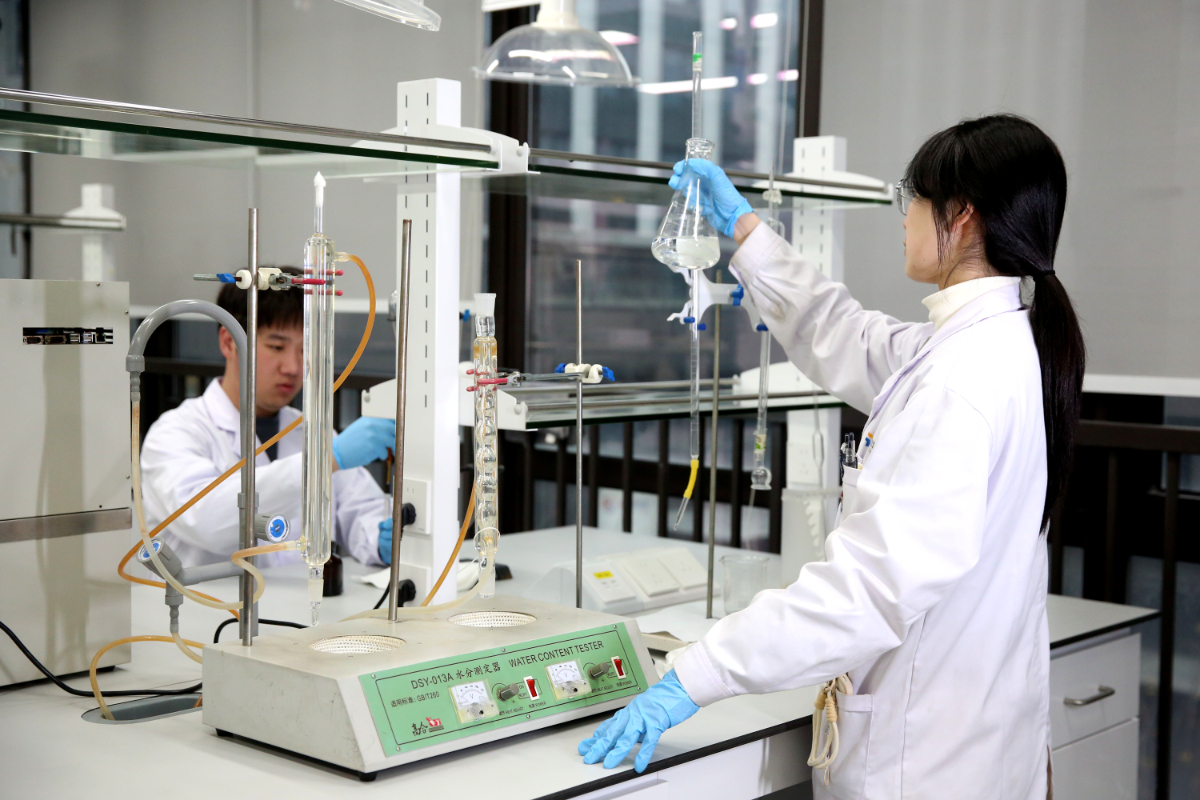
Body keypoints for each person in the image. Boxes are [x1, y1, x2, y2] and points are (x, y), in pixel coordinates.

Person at [580, 115, 1085, 799]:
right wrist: (747, 233)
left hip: (926, 760)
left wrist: (696, 674)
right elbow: (847, 335)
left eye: (912, 197)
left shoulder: (961, 379)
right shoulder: (991, 343)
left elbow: (867, 591)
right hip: (974, 735)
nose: (904, 217)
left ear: (961, 214)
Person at [140, 267, 404, 569]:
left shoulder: (312, 433)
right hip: (206, 599)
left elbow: (361, 514)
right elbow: (207, 520)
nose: (293, 367)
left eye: (306, 349)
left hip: (301, 600)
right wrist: (322, 461)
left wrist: (383, 539)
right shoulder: (175, 433)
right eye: (276, 347)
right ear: (228, 342)